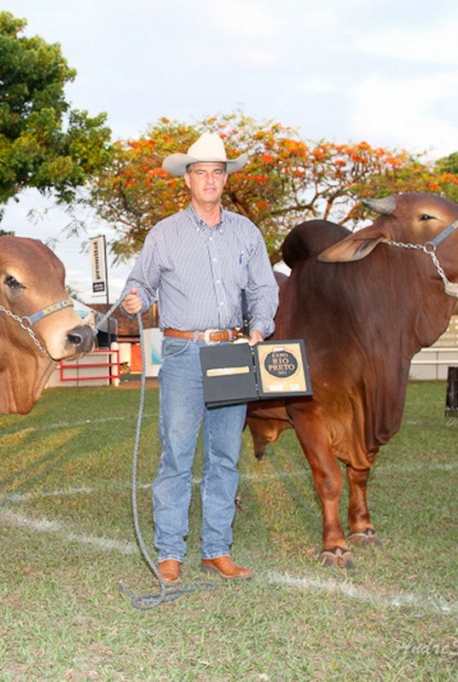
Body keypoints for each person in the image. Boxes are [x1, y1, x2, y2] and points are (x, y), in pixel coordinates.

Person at [119, 132, 279, 583]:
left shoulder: (247, 232)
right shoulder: (164, 234)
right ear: (187, 180)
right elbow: (141, 284)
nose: (209, 180)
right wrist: (135, 298)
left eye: (217, 171)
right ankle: (170, 551)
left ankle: (216, 550)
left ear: (225, 179)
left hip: (233, 349)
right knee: (177, 454)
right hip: (183, 350)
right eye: (200, 172)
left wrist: (259, 327)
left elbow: (264, 289)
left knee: (225, 455)